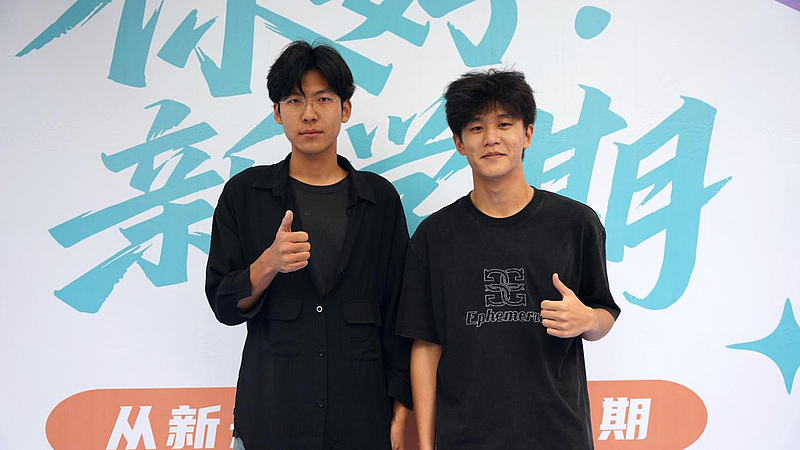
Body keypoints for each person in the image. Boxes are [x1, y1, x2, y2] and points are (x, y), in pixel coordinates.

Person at [396, 69, 620, 450]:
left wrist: (587, 320)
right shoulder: (434, 236)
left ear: (527, 134)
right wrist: (427, 445)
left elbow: (603, 314)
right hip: (465, 439)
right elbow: (426, 347)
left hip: (558, 436)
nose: (491, 138)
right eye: (476, 128)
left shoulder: (575, 223)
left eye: (504, 124)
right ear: (459, 142)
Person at [205, 40, 411, 450]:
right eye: (295, 100)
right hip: (272, 420)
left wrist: (401, 408)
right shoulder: (245, 194)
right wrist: (267, 264)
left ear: (345, 109)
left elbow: (400, 312)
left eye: (323, 98)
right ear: (277, 112)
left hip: (361, 421)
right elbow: (224, 305)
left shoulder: (379, 200)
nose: (310, 113)